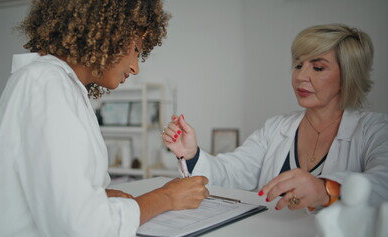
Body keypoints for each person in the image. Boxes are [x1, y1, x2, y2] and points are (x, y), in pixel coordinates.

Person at [0, 0, 209, 237]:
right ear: (110, 32)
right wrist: (166, 197)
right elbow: (81, 228)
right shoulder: (45, 84)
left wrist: (102, 196)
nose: (135, 68)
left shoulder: (62, 86)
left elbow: (55, 188)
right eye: (136, 50)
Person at [162, 23, 388, 212]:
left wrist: (325, 189)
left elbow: (383, 183)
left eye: (318, 67)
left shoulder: (375, 130)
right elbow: (234, 171)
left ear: (349, 75)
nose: (301, 76)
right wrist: (192, 155)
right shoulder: (277, 128)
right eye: (298, 65)